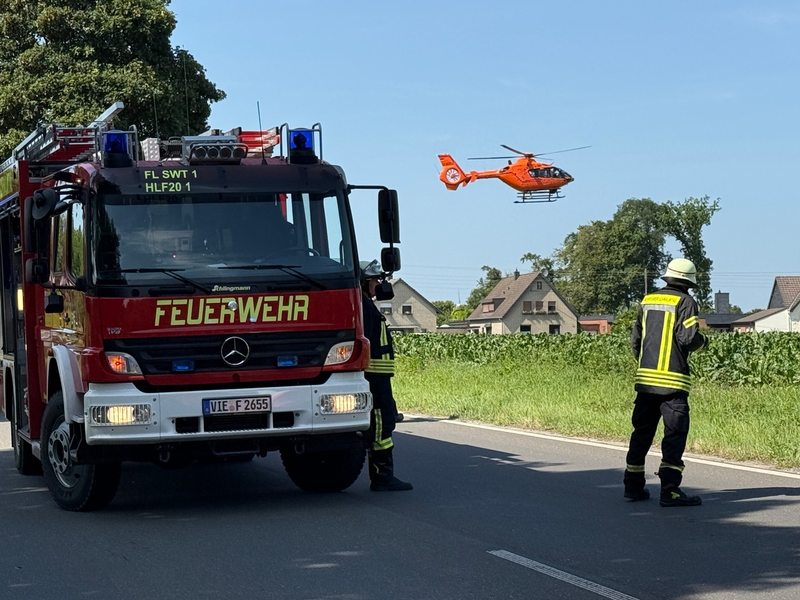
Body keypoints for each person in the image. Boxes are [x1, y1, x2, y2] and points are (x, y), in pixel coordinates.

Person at [624, 258, 708, 507]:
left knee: (641, 434)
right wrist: (704, 342)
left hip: (646, 382)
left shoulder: (648, 300)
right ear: (689, 282)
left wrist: (646, 364)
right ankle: (670, 490)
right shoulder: (686, 301)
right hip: (673, 383)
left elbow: (635, 340)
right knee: (674, 435)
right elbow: (688, 338)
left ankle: (632, 486)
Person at [360, 259, 413, 492]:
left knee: (386, 419)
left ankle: (383, 475)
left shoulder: (366, 305)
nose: (378, 285)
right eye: (374, 280)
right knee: (382, 424)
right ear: (364, 281)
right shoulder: (363, 306)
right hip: (374, 377)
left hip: (379, 376)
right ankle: (383, 477)